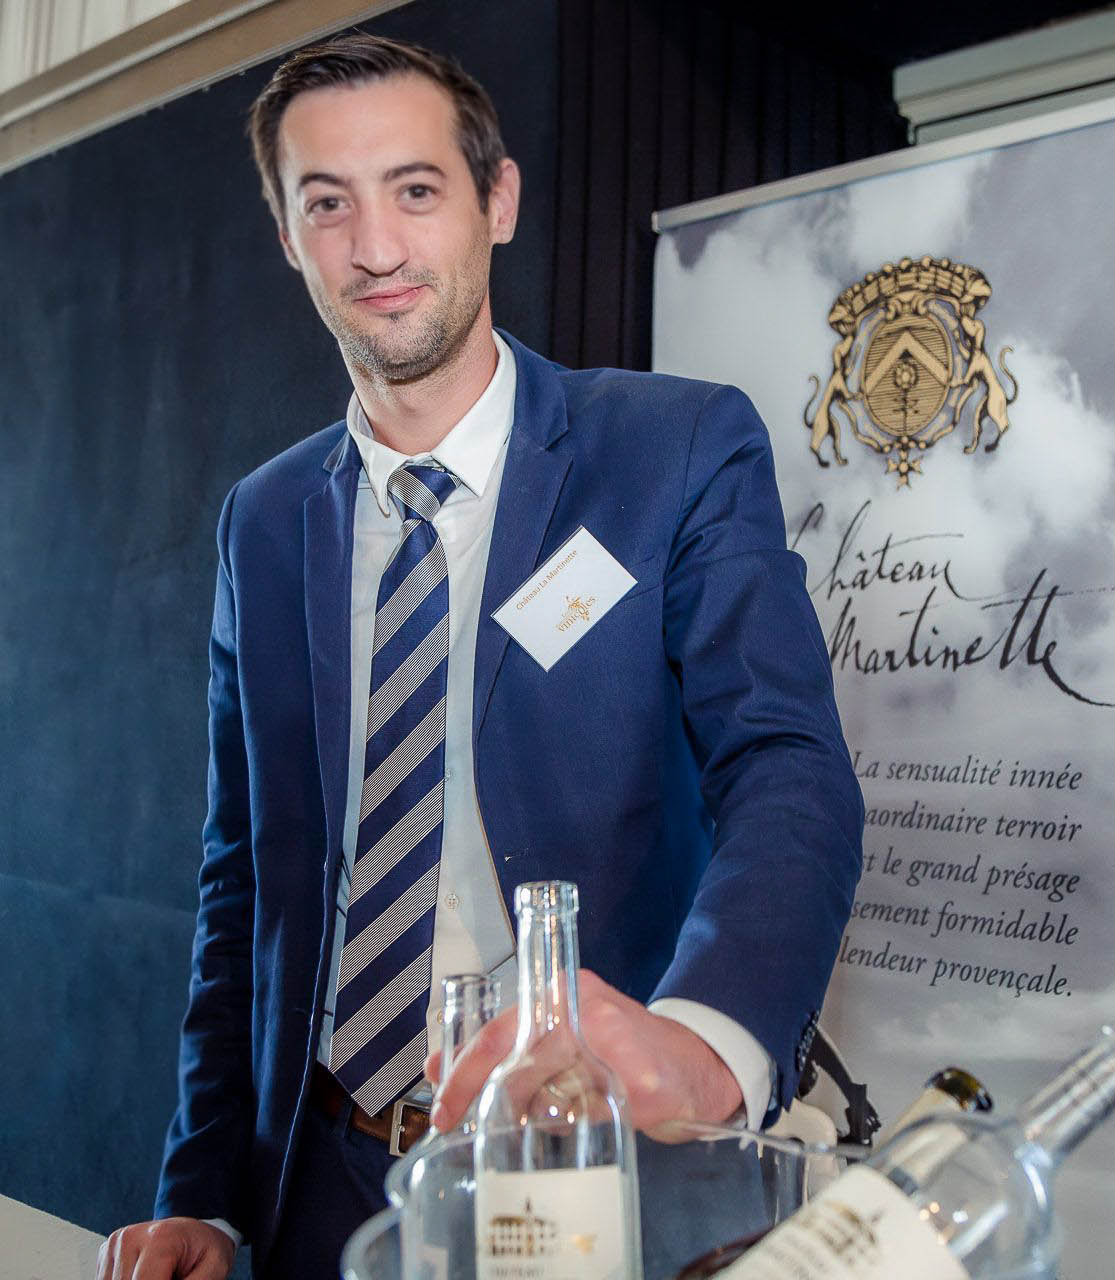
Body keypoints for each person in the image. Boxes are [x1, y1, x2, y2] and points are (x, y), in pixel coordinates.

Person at [96, 32, 862, 1280]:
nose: (376, 248)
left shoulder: (672, 451)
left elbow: (786, 766)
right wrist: (206, 1197)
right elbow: (244, 885)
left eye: (415, 189)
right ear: (287, 235)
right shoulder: (263, 519)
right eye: (328, 204)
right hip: (319, 1184)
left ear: (496, 201)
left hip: (594, 1168)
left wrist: (706, 1041)